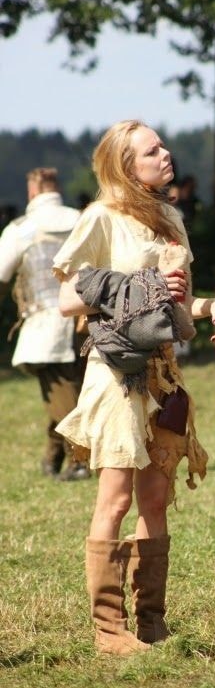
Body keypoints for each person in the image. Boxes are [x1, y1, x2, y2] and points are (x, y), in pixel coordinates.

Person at [52, 120, 215, 655]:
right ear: (126, 165)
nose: (166, 154)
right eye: (153, 151)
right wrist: (139, 284)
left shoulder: (170, 217)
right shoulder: (102, 217)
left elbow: (177, 302)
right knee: (116, 497)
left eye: (163, 147)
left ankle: (151, 622)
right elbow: (67, 300)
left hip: (163, 370)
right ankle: (109, 630)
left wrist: (208, 305)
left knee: (155, 496)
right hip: (116, 371)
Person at [0, 167, 88, 481]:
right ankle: (53, 456)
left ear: (32, 191)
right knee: (70, 392)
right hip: (87, 318)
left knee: (60, 394)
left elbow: (1, 275)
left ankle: (79, 460)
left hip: (45, 322)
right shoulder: (82, 220)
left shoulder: (21, 228)